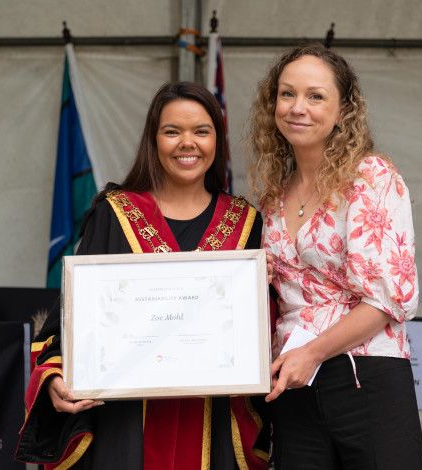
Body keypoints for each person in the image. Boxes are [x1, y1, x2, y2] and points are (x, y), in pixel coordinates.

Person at [16, 82, 270, 470]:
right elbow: (67, 323)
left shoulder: (248, 223)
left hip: (215, 419)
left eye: (202, 131)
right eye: (172, 132)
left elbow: (265, 329)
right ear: (153, 141)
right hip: (125, 424)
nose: (188, 143)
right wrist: (53, 378)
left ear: (218, 141)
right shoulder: (114, 215)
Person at [248, 44, 422, 469]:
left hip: (365, 374)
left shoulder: (371, 177)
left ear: (344, 109)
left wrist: (312, 354)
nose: (297, 107)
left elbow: (388, 299)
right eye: (287, 94)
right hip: (293, 380)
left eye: (315, 96)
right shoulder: (273, 196)